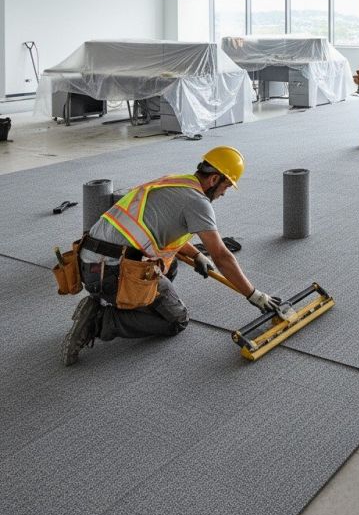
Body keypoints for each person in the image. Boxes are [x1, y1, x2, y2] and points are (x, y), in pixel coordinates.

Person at [61, 146, 281, 366]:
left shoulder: (176, 181)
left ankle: (129, 301)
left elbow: (160, 232)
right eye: (226, 186)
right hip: (110, 273)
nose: (224, 193)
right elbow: (222, 256)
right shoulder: (198, 202)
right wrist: (254, 295)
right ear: (214, 179)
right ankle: (100, 320)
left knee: (170, 265)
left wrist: (196, 256)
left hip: (87, 263)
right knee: (177, 320)